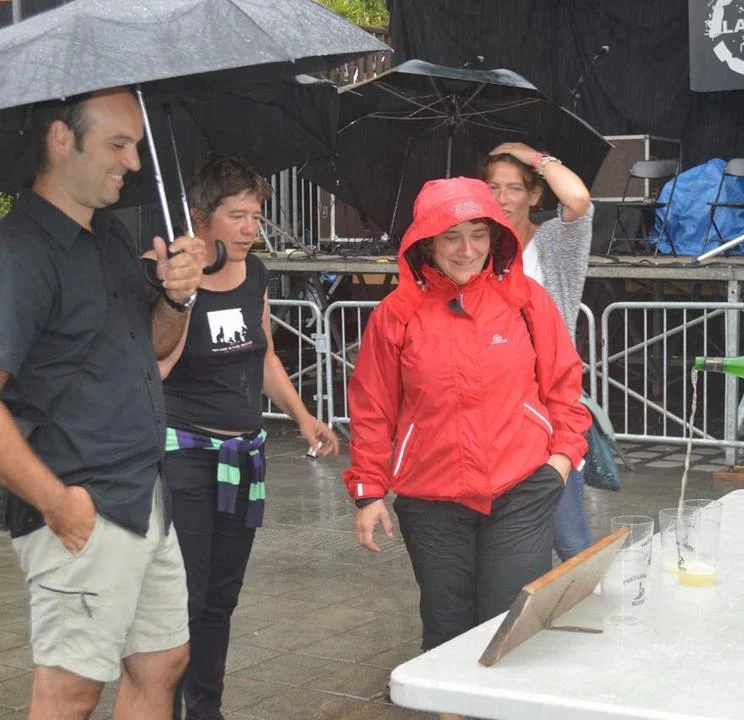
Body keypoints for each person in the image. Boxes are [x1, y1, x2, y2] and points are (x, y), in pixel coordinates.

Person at [0, 88, 205, 719]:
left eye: (136, 145)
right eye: (118, 144)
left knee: (161, 662)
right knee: (71, 691)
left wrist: (177, 296)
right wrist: (57, 504)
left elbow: (153, 349)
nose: (134, 162)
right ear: (62, 139)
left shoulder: (109, 235)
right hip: (82, 501)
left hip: (142, 495)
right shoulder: (20, 254)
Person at [345, 178, 591, 662]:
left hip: (521, 488)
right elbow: (372, 407)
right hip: (431, 497)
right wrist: (369, 491)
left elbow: (565, 386)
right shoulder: (396, 314)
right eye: (451, 237)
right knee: (447, 631)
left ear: (496, 237)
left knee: (508, 627)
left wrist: (561, 461)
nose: (466, 250)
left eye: (478, 234)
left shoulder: (526, 301)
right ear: (426, 243)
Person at [157, 153, 339, 720]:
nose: (249, 229)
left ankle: (206, 709)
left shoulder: (255, 274)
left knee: (221, 597)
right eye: (236, 216)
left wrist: (303, 416)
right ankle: (160, 705)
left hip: (244, 455)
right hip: (186, 455)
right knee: (184, 598)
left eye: (255, 217)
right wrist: (179, 293)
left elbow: (263, 356)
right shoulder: (175, 279)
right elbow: (157, 363)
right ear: (199, 216)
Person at [481, 141, 595, 561]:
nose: (502, 198)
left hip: (550, 406)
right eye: (493, 187)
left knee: (568, 537)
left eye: (514, 188)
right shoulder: (475, 253)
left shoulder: (553, 243)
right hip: (496, 408)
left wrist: (534, 157)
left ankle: (584, 598)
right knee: (510, 542)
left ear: (534, 195)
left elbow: (578, 199)